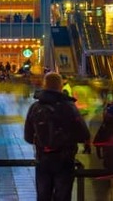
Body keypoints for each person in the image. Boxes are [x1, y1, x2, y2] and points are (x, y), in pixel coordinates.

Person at [24, 71, 91, 201]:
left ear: (44, 85)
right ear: (61, 86)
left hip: (42, 158)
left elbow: (28, 137)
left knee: (43, 195)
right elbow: (83, 133)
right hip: (65, 159)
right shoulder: (69, 107)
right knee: (63, 195)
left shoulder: (35, 107)